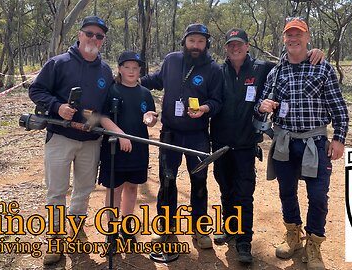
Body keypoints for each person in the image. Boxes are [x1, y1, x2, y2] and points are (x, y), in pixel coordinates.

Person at [210, 28, 324, 264]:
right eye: (231, 45)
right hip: (219, 142)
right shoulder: (217, 71)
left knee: (244, 193)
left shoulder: (263, 68)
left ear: (248, 46)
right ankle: (230, 228)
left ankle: (244, 241)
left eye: (239, 44)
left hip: (245, 144)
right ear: (226, 49)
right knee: (225, 189)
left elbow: (292, 62)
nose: (235, 48)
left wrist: (313, 53)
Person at [255, 18, 349, 270]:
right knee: (287, 192)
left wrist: (339, 138)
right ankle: (293, 236)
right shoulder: (276, 73)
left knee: (318, 196)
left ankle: (314, 245)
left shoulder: (323, 68)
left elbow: (338, 107)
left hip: (315, 143)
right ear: (284, 39)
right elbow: (263, 104)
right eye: (289, 35)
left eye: (298, 34)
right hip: (284, 142)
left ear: (307, 37)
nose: (293, 39)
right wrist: (262, 105)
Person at [28, 16, 113, 265]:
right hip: (60, 138)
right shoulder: (58, 63)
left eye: (99, 36)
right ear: (79, 34)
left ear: (103, 40)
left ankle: (75, 228)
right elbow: (36, 90)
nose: (93, 39)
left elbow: (105, 106)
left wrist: (95, 122)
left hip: (90, 140)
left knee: (84, 188)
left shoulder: (105, 70)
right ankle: (55, 238)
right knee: (56, 190)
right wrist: (57, 107)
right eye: (89, 33)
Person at [141, 23, 223, 249]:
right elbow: (156, 80)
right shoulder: (172, 60)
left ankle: (200, 229)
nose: (196, 46)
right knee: (167, 180)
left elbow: (217, 101)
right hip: (170, 133)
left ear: (207, 44)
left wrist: (204, 109)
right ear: (184, 42)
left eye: (201, 41)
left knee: (199, 182)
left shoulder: (213, 69)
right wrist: (130, 80)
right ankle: (166, 228)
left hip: (198, 135)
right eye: (192, 41)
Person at [98, 51, 157, 248]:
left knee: (132, 187)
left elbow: (151, 117)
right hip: (114, 148)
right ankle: (112, 231)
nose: (131, 71)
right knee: (114, 189)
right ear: (120, 69)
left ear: (140, 70)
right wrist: (121, 135)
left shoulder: (145, 93)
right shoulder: (112, 90)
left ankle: (126, 225)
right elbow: (102, 117)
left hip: (138, 148)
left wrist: (150, 119)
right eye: (127, 67)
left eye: (135, 67)